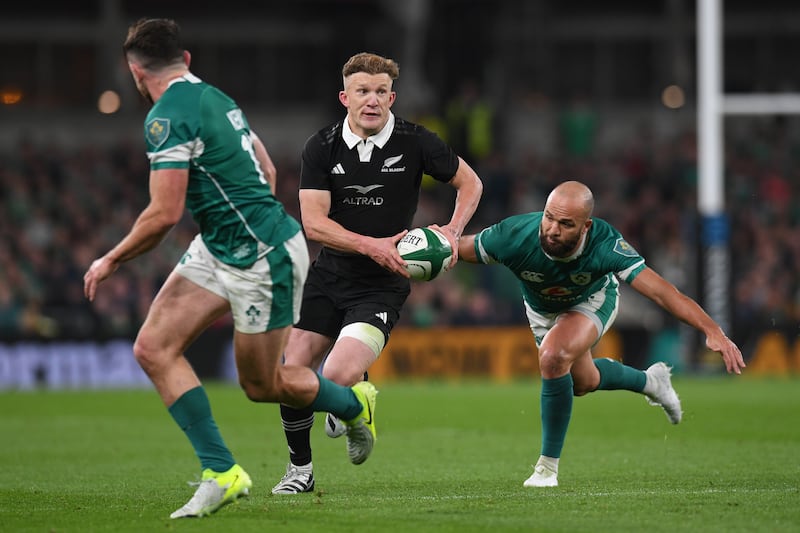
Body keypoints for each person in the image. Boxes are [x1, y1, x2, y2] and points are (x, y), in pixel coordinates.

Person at [82, 18, 377, 519]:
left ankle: (352, 405)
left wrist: (111, 257)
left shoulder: (164, 118)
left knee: (264, 386)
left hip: (263, 257)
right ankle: (221, 472)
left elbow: (164, 214)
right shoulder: (217, 99)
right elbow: (267, 168)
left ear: (134, 71)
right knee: (153, 348)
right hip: (222, 246)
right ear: (187, 61)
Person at [271, 52, 483, 494]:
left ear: (392, 97)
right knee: (290, 373)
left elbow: (471, 183)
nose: (372, 100)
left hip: (382, 285)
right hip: (329, 275)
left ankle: (351, 400)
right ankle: (300, 472)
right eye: (363, 91)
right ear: (345, 97)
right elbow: (314, 223)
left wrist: (451, 232)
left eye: (381, 92)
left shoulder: (417, 141)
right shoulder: (321, 147)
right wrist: (372, 246)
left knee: (335, 378)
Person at [456, 180, 746, 488]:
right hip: (542, 311)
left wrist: (711, 329)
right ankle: (651, 382)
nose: (553, 229)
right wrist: (415, 247)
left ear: (585, 227)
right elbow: (459, 247)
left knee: (553, 357)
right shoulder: (514, 235)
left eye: (566, 224)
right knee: (583, 382)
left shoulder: (604, 244)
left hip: (591, 301)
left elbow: (662, 292)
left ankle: (546, 469)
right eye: (549, 217)